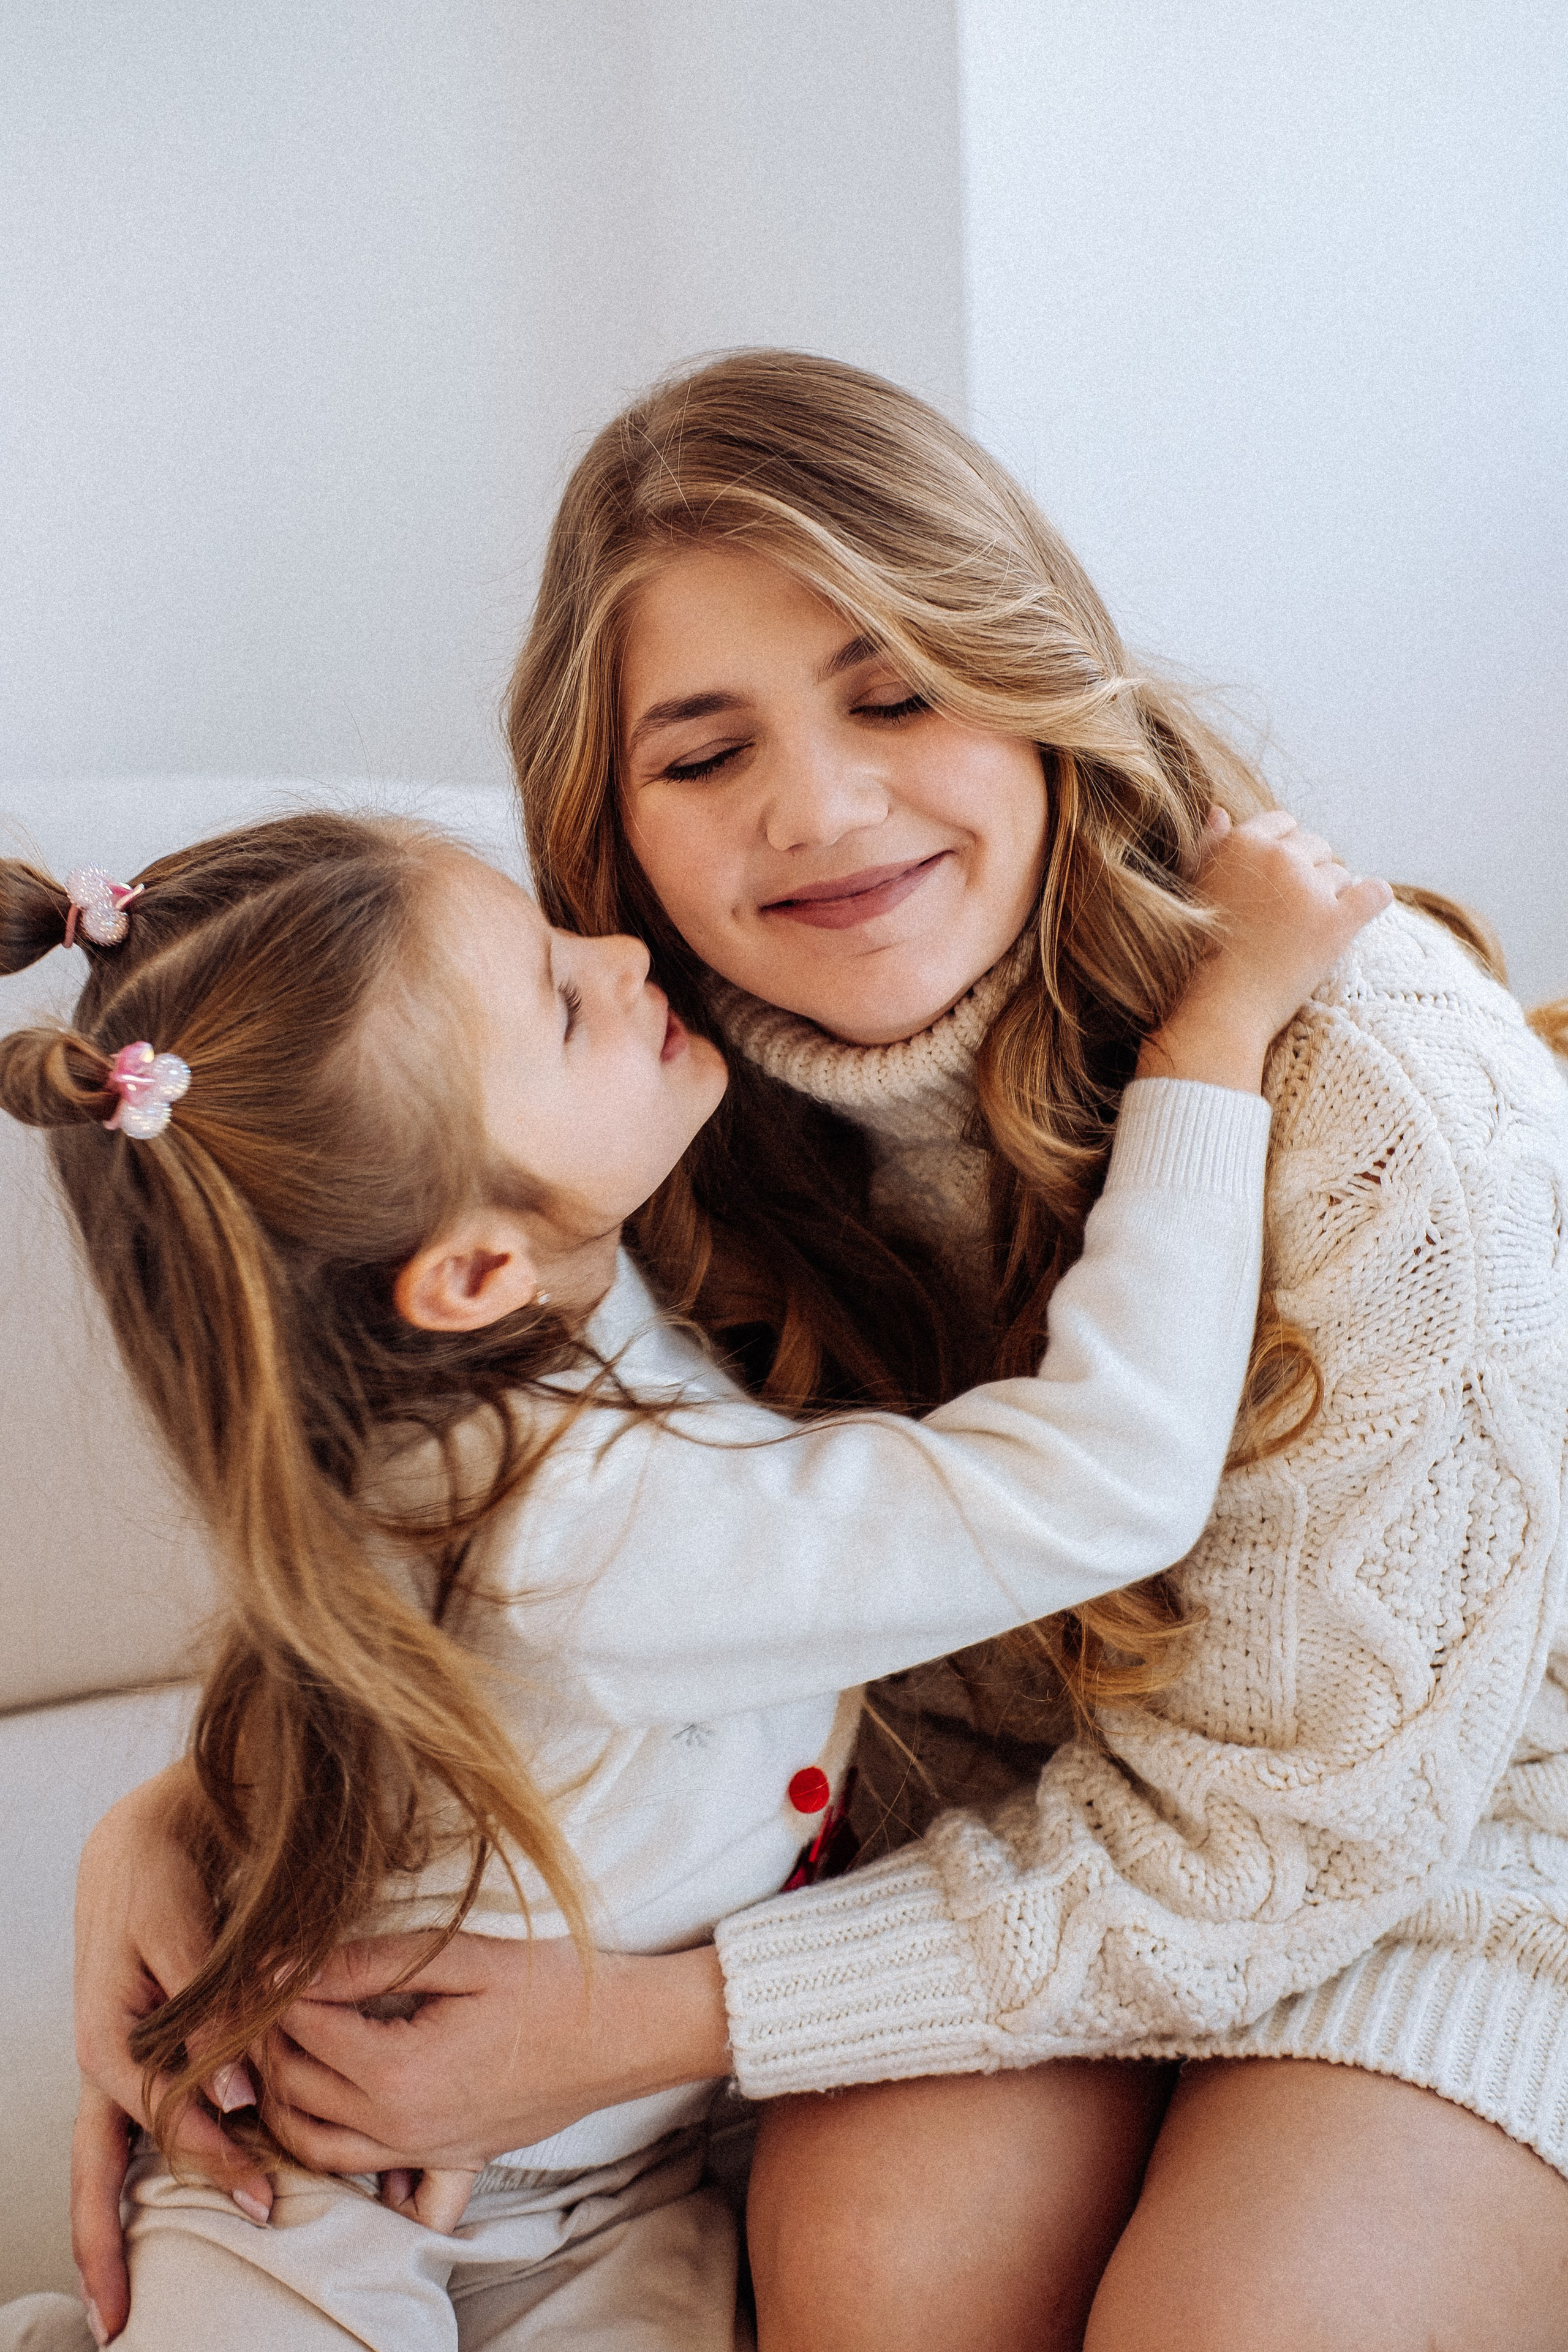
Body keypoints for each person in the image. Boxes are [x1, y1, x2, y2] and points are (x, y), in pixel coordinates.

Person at [67, 352, 1568, 2352]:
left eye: (898, 690)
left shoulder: (1370, 1068)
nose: (823, 808)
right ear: (611, 820)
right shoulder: (634, 1095)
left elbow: (1293, 1832)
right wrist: (180, 1832)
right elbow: (428, 1478)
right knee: (874, 2269)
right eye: (702, 756)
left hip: (1439, 1840)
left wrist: (634, 2026)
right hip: (979, 1831)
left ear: (1035, 680)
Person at [0, 800, 1370, 2350]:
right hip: (320, 2181)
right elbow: (1106, 1478)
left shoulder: (451, 1349)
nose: (622, 950)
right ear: (467, 1276)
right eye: (565, 999)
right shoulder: (594, 1545)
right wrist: (1216, 1034)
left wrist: (163, 1817)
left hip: (616, 2173)